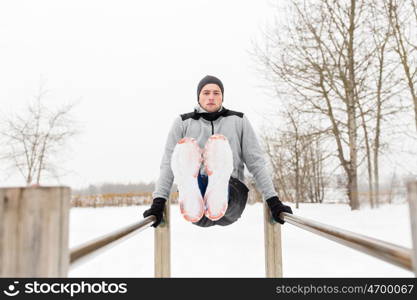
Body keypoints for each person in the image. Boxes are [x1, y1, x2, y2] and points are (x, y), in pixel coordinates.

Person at [143, 75, 293, 227]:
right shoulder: (183, 123)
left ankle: (219, 186)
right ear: (198, 97)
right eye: (206, 93)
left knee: (225, 184)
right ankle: (195, 190)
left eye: (216, 93)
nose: (211, 97)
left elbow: (256, 163)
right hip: (197, 208)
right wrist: (158, 202)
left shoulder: (238, 120)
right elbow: (168, 164)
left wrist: (273, 201)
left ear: (222, 97)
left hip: (233, 195)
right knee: (186, 166)